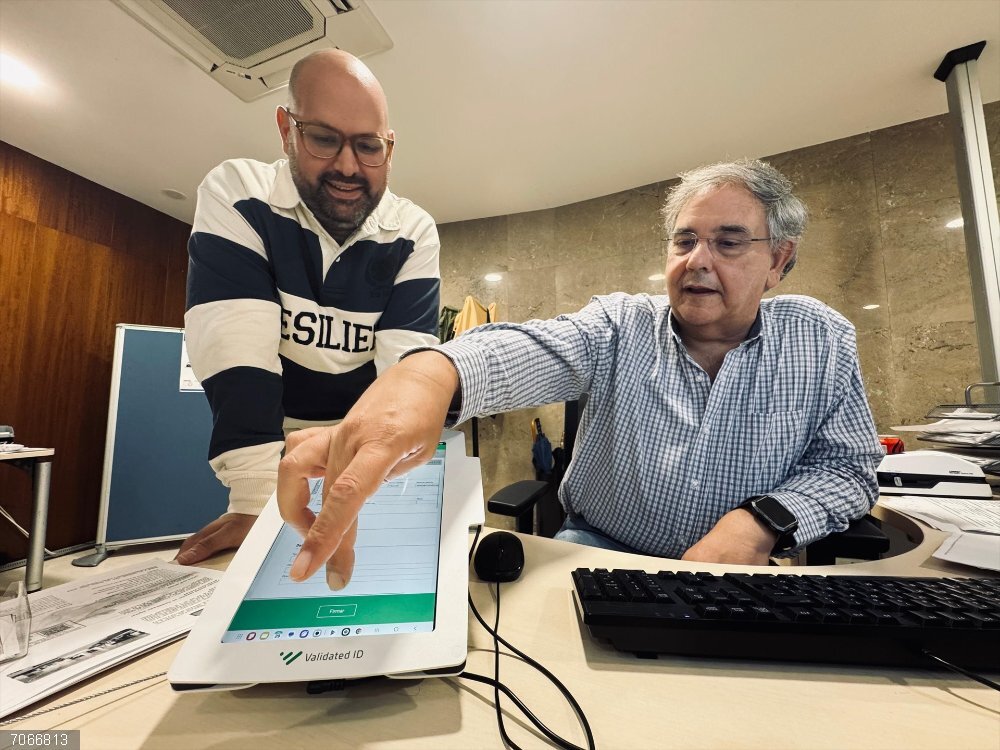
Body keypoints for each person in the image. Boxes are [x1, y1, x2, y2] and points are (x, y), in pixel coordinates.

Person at [276, 159, 883, 591]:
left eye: (728, 243)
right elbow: (529, 348)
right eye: (685, 241)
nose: (697, 261)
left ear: (779, 259)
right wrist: (432, 375)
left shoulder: (819, 339)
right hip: (600, 549)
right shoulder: (622, 325)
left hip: (745, 569)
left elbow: (847, 468)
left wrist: (760, 522)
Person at [175, 49, 440, 565]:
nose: (348, 166)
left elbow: (403, 378)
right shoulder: (239, 192)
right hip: (271, 459)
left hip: (367, 459)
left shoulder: (413, 231)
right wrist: (254, 499)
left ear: (390, 147)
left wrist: (382, 487)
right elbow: (237, 353)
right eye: (323, 138)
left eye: (368, 147)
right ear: (286, 129)